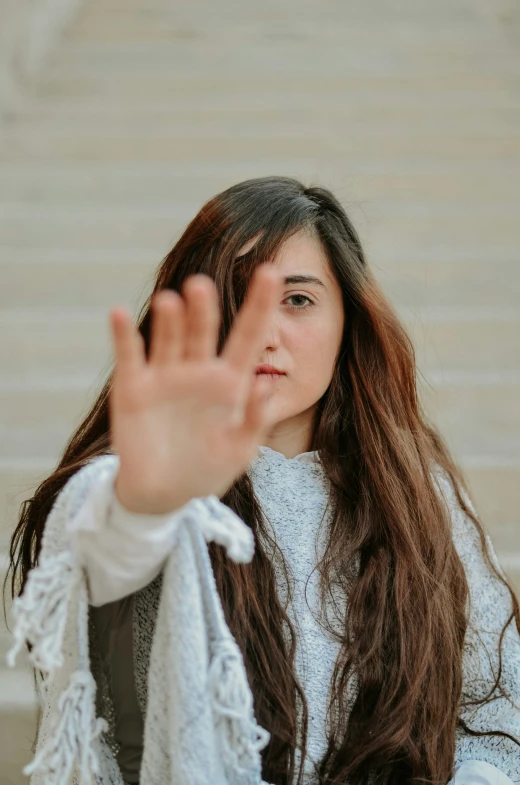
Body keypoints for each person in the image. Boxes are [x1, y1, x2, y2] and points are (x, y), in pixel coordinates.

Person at [5, 176, 520, 785]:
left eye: (296, 300)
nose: (265, 334)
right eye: (234, 300)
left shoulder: (421, 495)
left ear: (347, 320)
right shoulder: (134, 484)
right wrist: (146, 505)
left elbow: (494, 713)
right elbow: (98, 549)